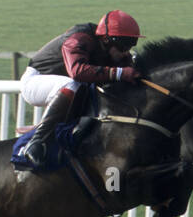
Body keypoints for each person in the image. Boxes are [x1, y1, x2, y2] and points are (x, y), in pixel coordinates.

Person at [18, 10, 144, 167]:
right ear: (106, 39)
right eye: (123, 46)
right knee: (72, 84)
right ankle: (37, 142)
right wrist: (119, 72)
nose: (125, 51)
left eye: (131, 45)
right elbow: (77, 72)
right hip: (35, 82)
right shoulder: (79, 38)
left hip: (64, 86)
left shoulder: (111, 49)